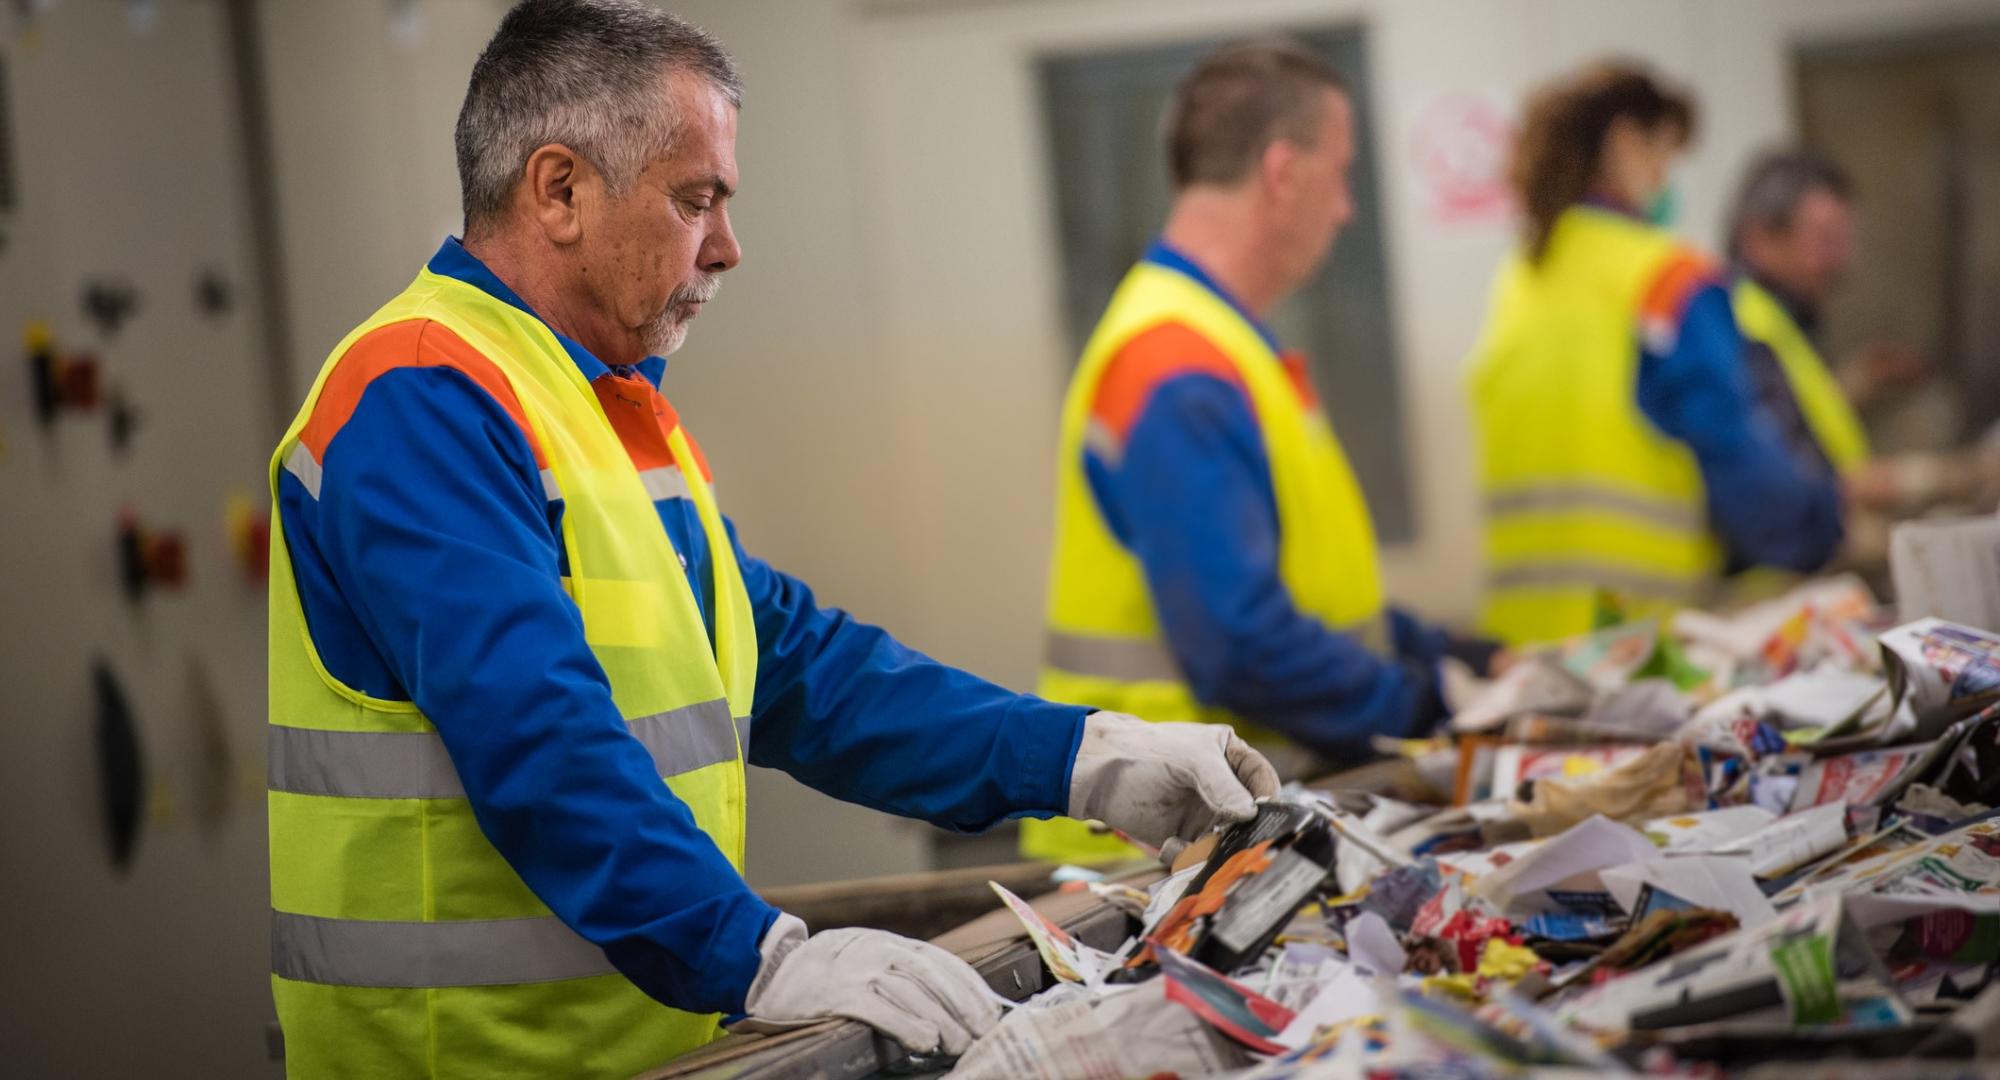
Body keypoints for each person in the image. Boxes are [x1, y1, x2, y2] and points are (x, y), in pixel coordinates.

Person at [264, 3, 1279, 1076]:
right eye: (694, 200)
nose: (727, 247)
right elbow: (534, 735)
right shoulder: (418, 397)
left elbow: (795, 665)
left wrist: (1074, 757)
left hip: (637, 1050)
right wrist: (750, 954)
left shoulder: (604, 402)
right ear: (558, 190)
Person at [1027, 42, 1493, 864]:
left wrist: (1445, 652)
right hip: (1156, 856)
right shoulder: (1177, 363)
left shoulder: (1216, 344)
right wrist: (1425, 707)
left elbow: (1307, 590)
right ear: (1283, 173)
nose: (1346, 208)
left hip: (1205, 834)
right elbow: (1241, 645)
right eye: (1340, 173)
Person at [1465, 62, 1844, 647]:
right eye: (1665, 152)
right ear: (1624, 143)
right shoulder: (1666, 279)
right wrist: (1826, 522)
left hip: (1527, 656)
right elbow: (1748, 472)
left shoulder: (1518, 281)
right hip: (1646, 652)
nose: (1668, 177)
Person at [1725, 149, 1871, 480]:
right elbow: (1786, 471)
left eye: (1844, 241)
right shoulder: (1742, 324)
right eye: (1825, 240)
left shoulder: (1783, 322)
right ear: (1760, 239)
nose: (1842, 263)